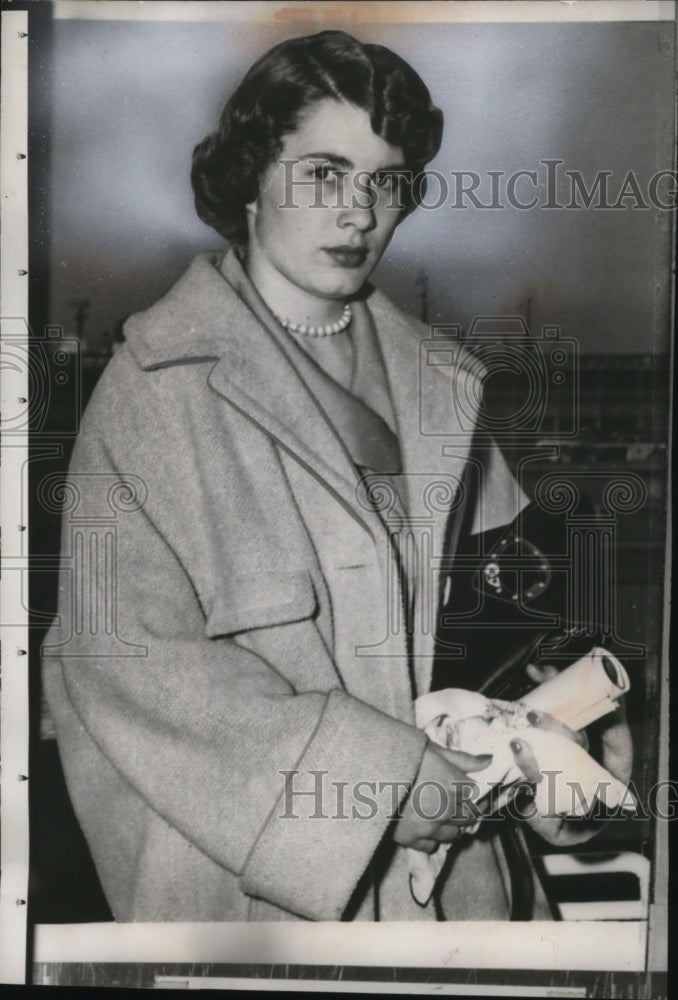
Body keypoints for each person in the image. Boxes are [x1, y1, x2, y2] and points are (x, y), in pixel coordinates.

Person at [42, 29, 632, 923]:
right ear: (250, 176)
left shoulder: (443, 386)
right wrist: (381, 784)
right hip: (265, 911)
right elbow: (124, 664)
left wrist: (569, 724)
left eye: (385, 182)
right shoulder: (154, 391)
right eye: (323, 173)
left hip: (461, 891)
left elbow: (509, 615)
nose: (359, 212)